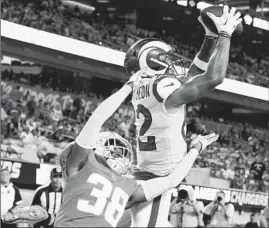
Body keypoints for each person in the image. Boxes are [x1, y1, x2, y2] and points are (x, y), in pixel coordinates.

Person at [2, 72, 218, 227]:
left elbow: (96, 118)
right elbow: (173, 180)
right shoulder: (128, 186)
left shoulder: (80, 168)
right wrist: (196, 148)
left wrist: (128, 87)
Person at [124, 5, 242, 226]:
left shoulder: (146, 88)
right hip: (158, 180)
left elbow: (192, 75)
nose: (171, 62)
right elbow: (213, 77)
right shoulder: (163, 88)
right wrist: (225, 35)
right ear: (153, 61)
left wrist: (210, 37)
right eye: (165, 58)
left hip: (152, 173)